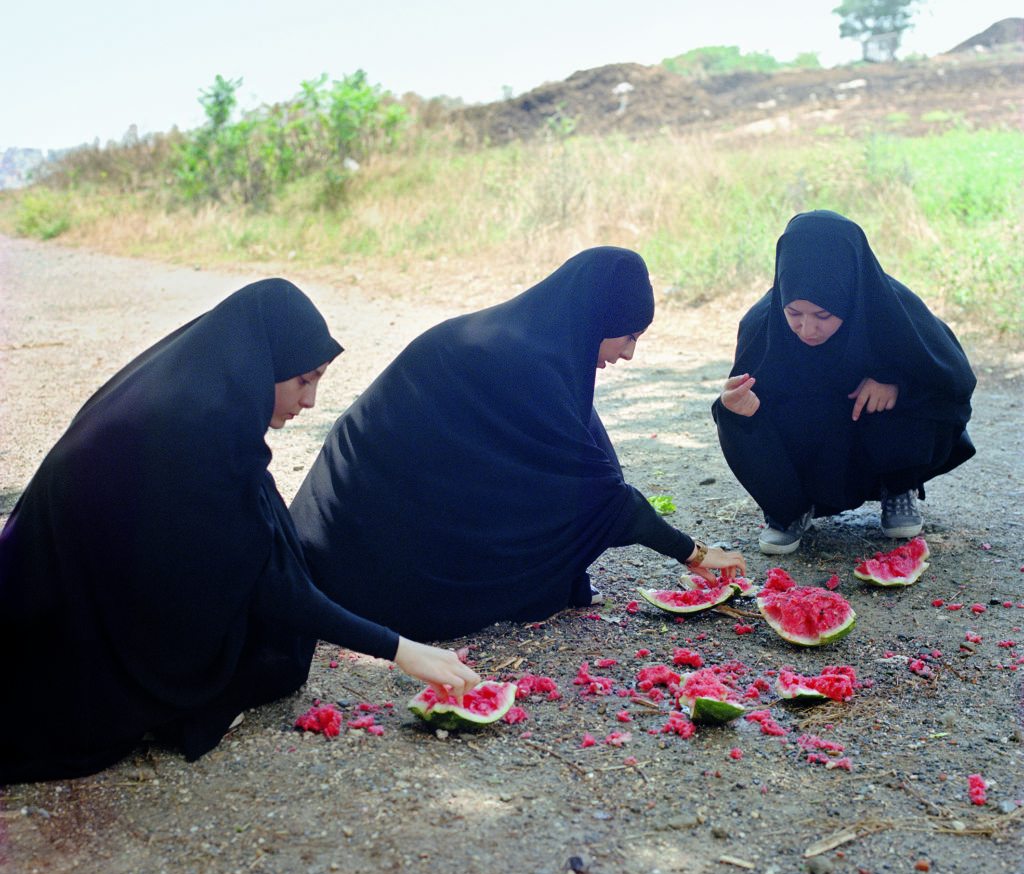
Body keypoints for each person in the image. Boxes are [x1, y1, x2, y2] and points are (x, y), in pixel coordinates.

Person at [0, 279, 478, 785]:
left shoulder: (201, 390)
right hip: (67, 625)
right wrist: (402, 649)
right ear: (260, 363)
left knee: (264, 521)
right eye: (303, 381)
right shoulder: (194, 429)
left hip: (96, 577)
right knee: (260, 649)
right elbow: (272, 586)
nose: (311, 402)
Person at [290, 247, 745, 642]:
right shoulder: (528, 365)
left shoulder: (537, 339)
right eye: (628, 336)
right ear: (598, 320)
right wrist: (694, 552)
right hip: (361, 540)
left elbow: (595, 468)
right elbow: (599, 496)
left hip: (378, 510)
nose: (628, 354)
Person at [712, 210, 976, 555]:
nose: (807, 329)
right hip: (809, 443)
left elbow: (954, 383)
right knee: (734, 415)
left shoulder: (891, 307)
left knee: (915, 396)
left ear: (850, 293)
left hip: (875, 434)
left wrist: (897, 387)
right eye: (794, 313)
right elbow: (745, 412)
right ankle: (787, 510)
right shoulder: (762, 323)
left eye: (823, 315)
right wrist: (739, 409)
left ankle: (898, 488)